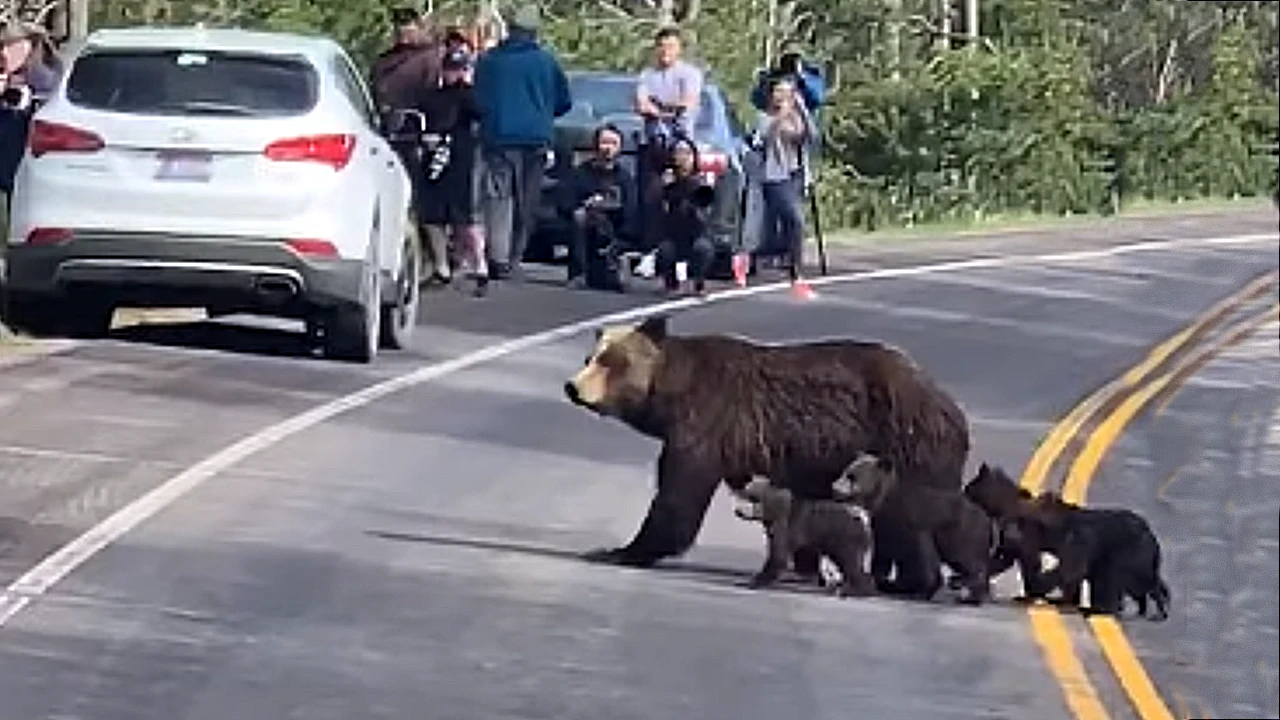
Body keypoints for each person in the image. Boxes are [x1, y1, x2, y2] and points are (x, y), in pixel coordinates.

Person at [473, 5, 572, 281]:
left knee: (499, 196)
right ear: (534, 31)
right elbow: (564, 101)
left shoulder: (490, 61)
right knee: (527, 200)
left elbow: (477, 100)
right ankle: (515, 256)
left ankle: (498, 256)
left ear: (510, 30)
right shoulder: (546, 62)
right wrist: (541, 114)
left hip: (499, 137)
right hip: (535, 139)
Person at [416, 43, 489, 297]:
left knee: (464, 216)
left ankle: (480, 266)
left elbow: (481, 113)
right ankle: (441, 266)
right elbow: (422, 120)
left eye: (458, 69)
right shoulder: (433, 96)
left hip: (460, 159)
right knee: (431, 214)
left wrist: (467, 86)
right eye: (450, 69)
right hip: (434, 156)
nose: (453, 74)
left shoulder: (469, 97)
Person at [750, 75, 818, 296]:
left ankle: (793, 268)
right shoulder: (764, 117)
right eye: (778, 92)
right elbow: (766, 136)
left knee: (792, 223)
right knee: (794, 219)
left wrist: (803, 111)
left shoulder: (797, 117)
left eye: (787, 92)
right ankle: (791, 268)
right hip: (774, 176)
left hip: (795, 174)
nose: (783, 97)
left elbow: (810, 137)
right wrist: (781, 114)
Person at [558, 123, 638, 291]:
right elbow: (565, 203)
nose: (608, 148)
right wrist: (586, 204)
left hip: (613, 231)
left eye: (613, 143)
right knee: (580, 217)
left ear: (620, 148)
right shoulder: (581, 173)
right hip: (587, 226)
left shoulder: (625, 178)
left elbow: (631, 213)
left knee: (611, 283)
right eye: (604, 142)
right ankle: (578, 274)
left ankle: (612, 267)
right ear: (596, 146)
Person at [654, 138, 715, 296]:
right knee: (664, 250)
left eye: (687, 153)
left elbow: (705, 215)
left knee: (703, 248)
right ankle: (671, 284)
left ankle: (698, 282)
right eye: (679, 152)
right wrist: (665, 189)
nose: (683, 157)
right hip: (672, 235)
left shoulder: (701, 181)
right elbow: (658, 213)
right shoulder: (666, 181)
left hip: (696, 234)